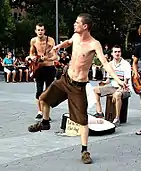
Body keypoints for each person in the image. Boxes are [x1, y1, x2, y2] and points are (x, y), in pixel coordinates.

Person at [27, 13, 126, 164]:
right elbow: (69, 41)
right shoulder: (75, 36)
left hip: (78, 87)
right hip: (65, 79)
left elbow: (105, 64)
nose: (74, 24)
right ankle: (45, 123)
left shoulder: (94, 44)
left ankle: (84, 150)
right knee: (43, 98)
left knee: (83, 121)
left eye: (77, 23)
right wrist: (60, 46)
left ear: (85, 26)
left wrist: (118, 80)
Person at [93, 45, 131, 126]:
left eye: (119, 52)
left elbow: (126, 81)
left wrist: (119, 90)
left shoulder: (126, 64)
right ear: (112, 54)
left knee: (117, 94)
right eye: (115, 52)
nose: (117, 53)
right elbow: (109, 79)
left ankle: (117, 118)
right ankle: (99, 112)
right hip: (113, 87)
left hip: (124, 88)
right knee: (95, 89)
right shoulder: (109, 64)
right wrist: (103, 83)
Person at [26, 23, 57, 120]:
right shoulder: (33, 41)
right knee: (39, 90)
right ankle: (40, 111)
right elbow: (31, 54)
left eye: (42, 30)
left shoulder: (50, 40)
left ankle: (46, 114)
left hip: (49, 67)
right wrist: (32, 57)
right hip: (39, 68)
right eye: (38, 30)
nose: (40, 32)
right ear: (35, 31)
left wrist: (47, 59)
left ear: (44, 31)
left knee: (48, 91)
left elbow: (55, 56)